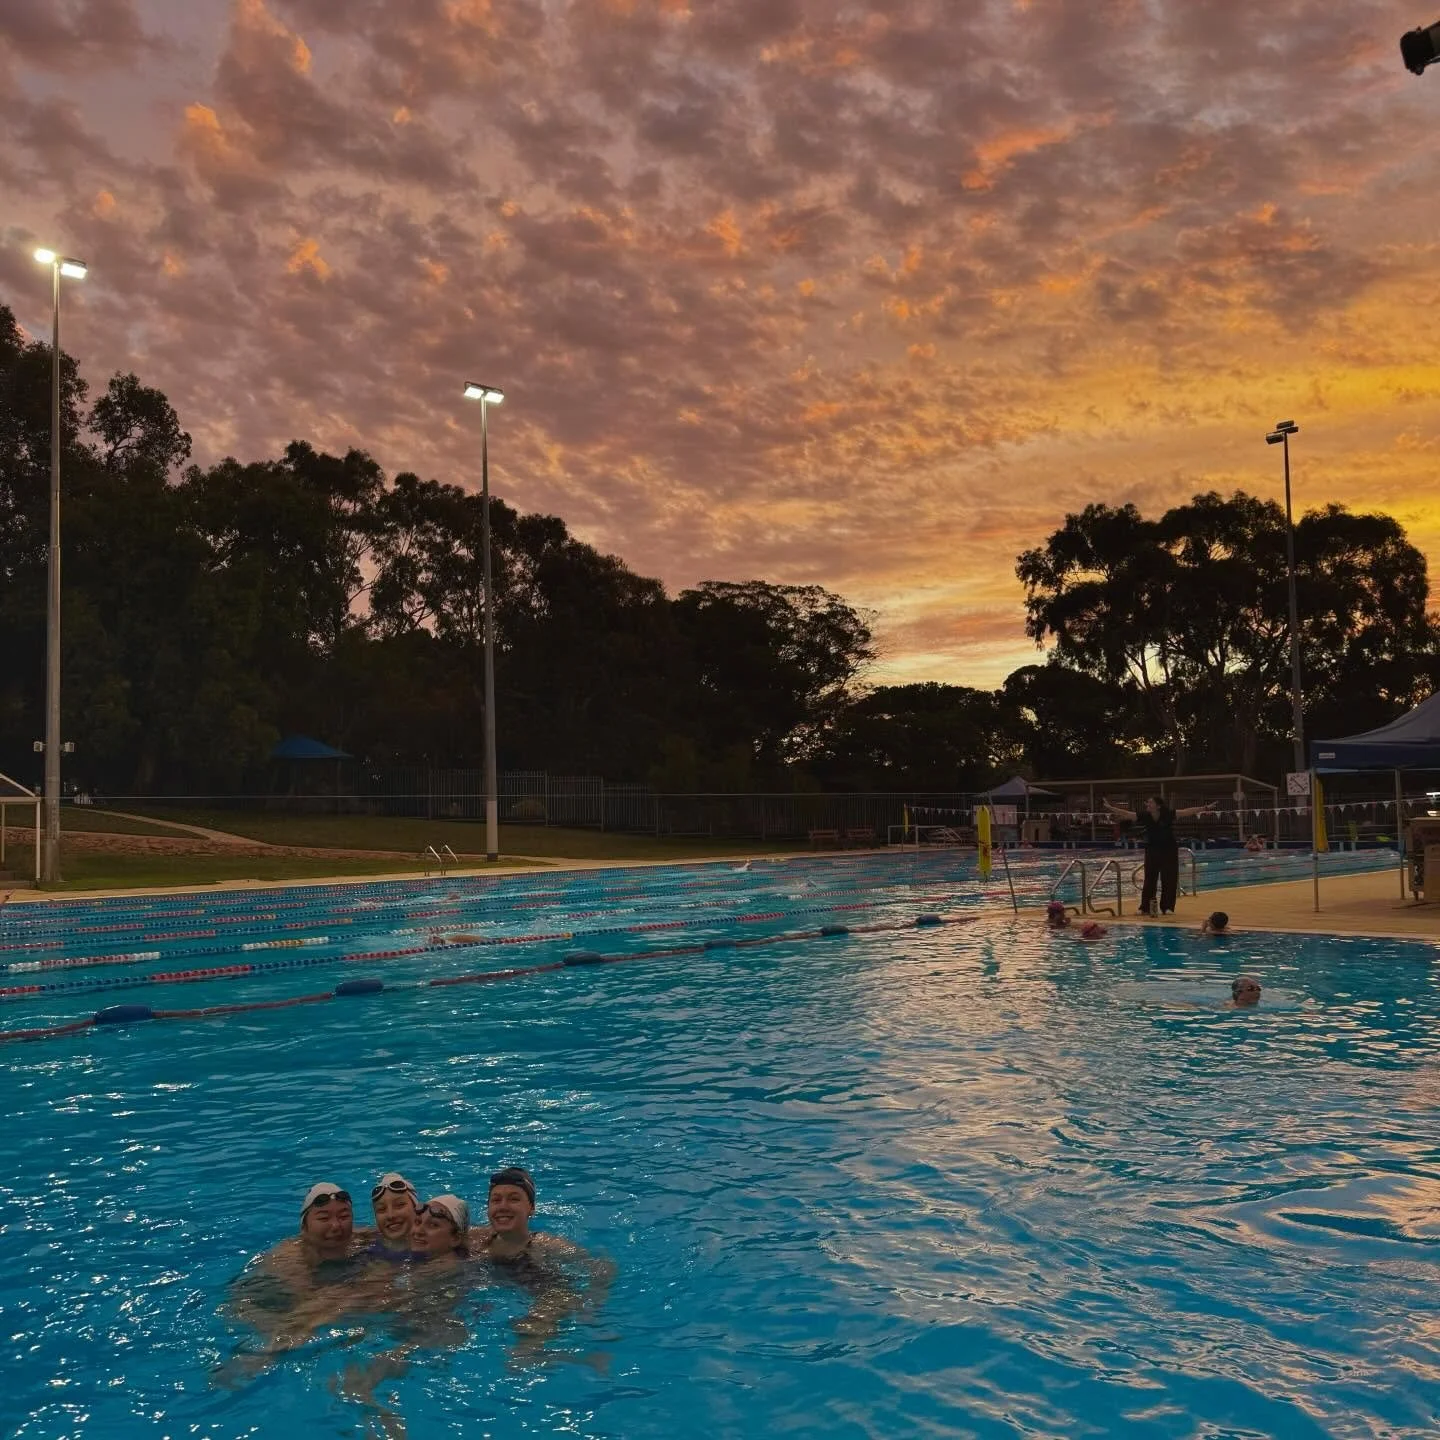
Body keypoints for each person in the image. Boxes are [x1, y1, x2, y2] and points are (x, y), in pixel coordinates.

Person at [473, 1167, 614, 1363]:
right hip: (511, 1289)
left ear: (531, 1208)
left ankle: (587, 1359)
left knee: (518, 1357)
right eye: (496, 1200)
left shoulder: (548, 1245)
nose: (503, 1206)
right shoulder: (477, 1239)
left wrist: (591, 1305)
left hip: (553, 1296)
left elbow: (604, 1266)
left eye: (514, 1199)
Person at [1104, 796, 1215, 916]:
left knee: (1169, 879)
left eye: (1150, 802)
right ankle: (1145, 908)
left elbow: (1187, 811)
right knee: (1149, 879)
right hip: (1152, 850)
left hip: (1169, 850)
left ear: (1158, 806)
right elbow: (1126, 813)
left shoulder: (1168, 814)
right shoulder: (1145, 816)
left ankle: (1167, 907)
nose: (1147, 804)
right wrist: (1111, 808)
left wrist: (1205, 807)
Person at [366, 1173, 420, 1259]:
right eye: (381, 1209)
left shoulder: (434, 1246)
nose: (390, 1215)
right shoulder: (365, 1243)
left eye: (399, 1205)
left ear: (416, 1208)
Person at [411, 1195, 470, 1261]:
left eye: (433, 1225)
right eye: (418, 1222)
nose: (418, 1231)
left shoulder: (445, 1269)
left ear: (455, 1239)